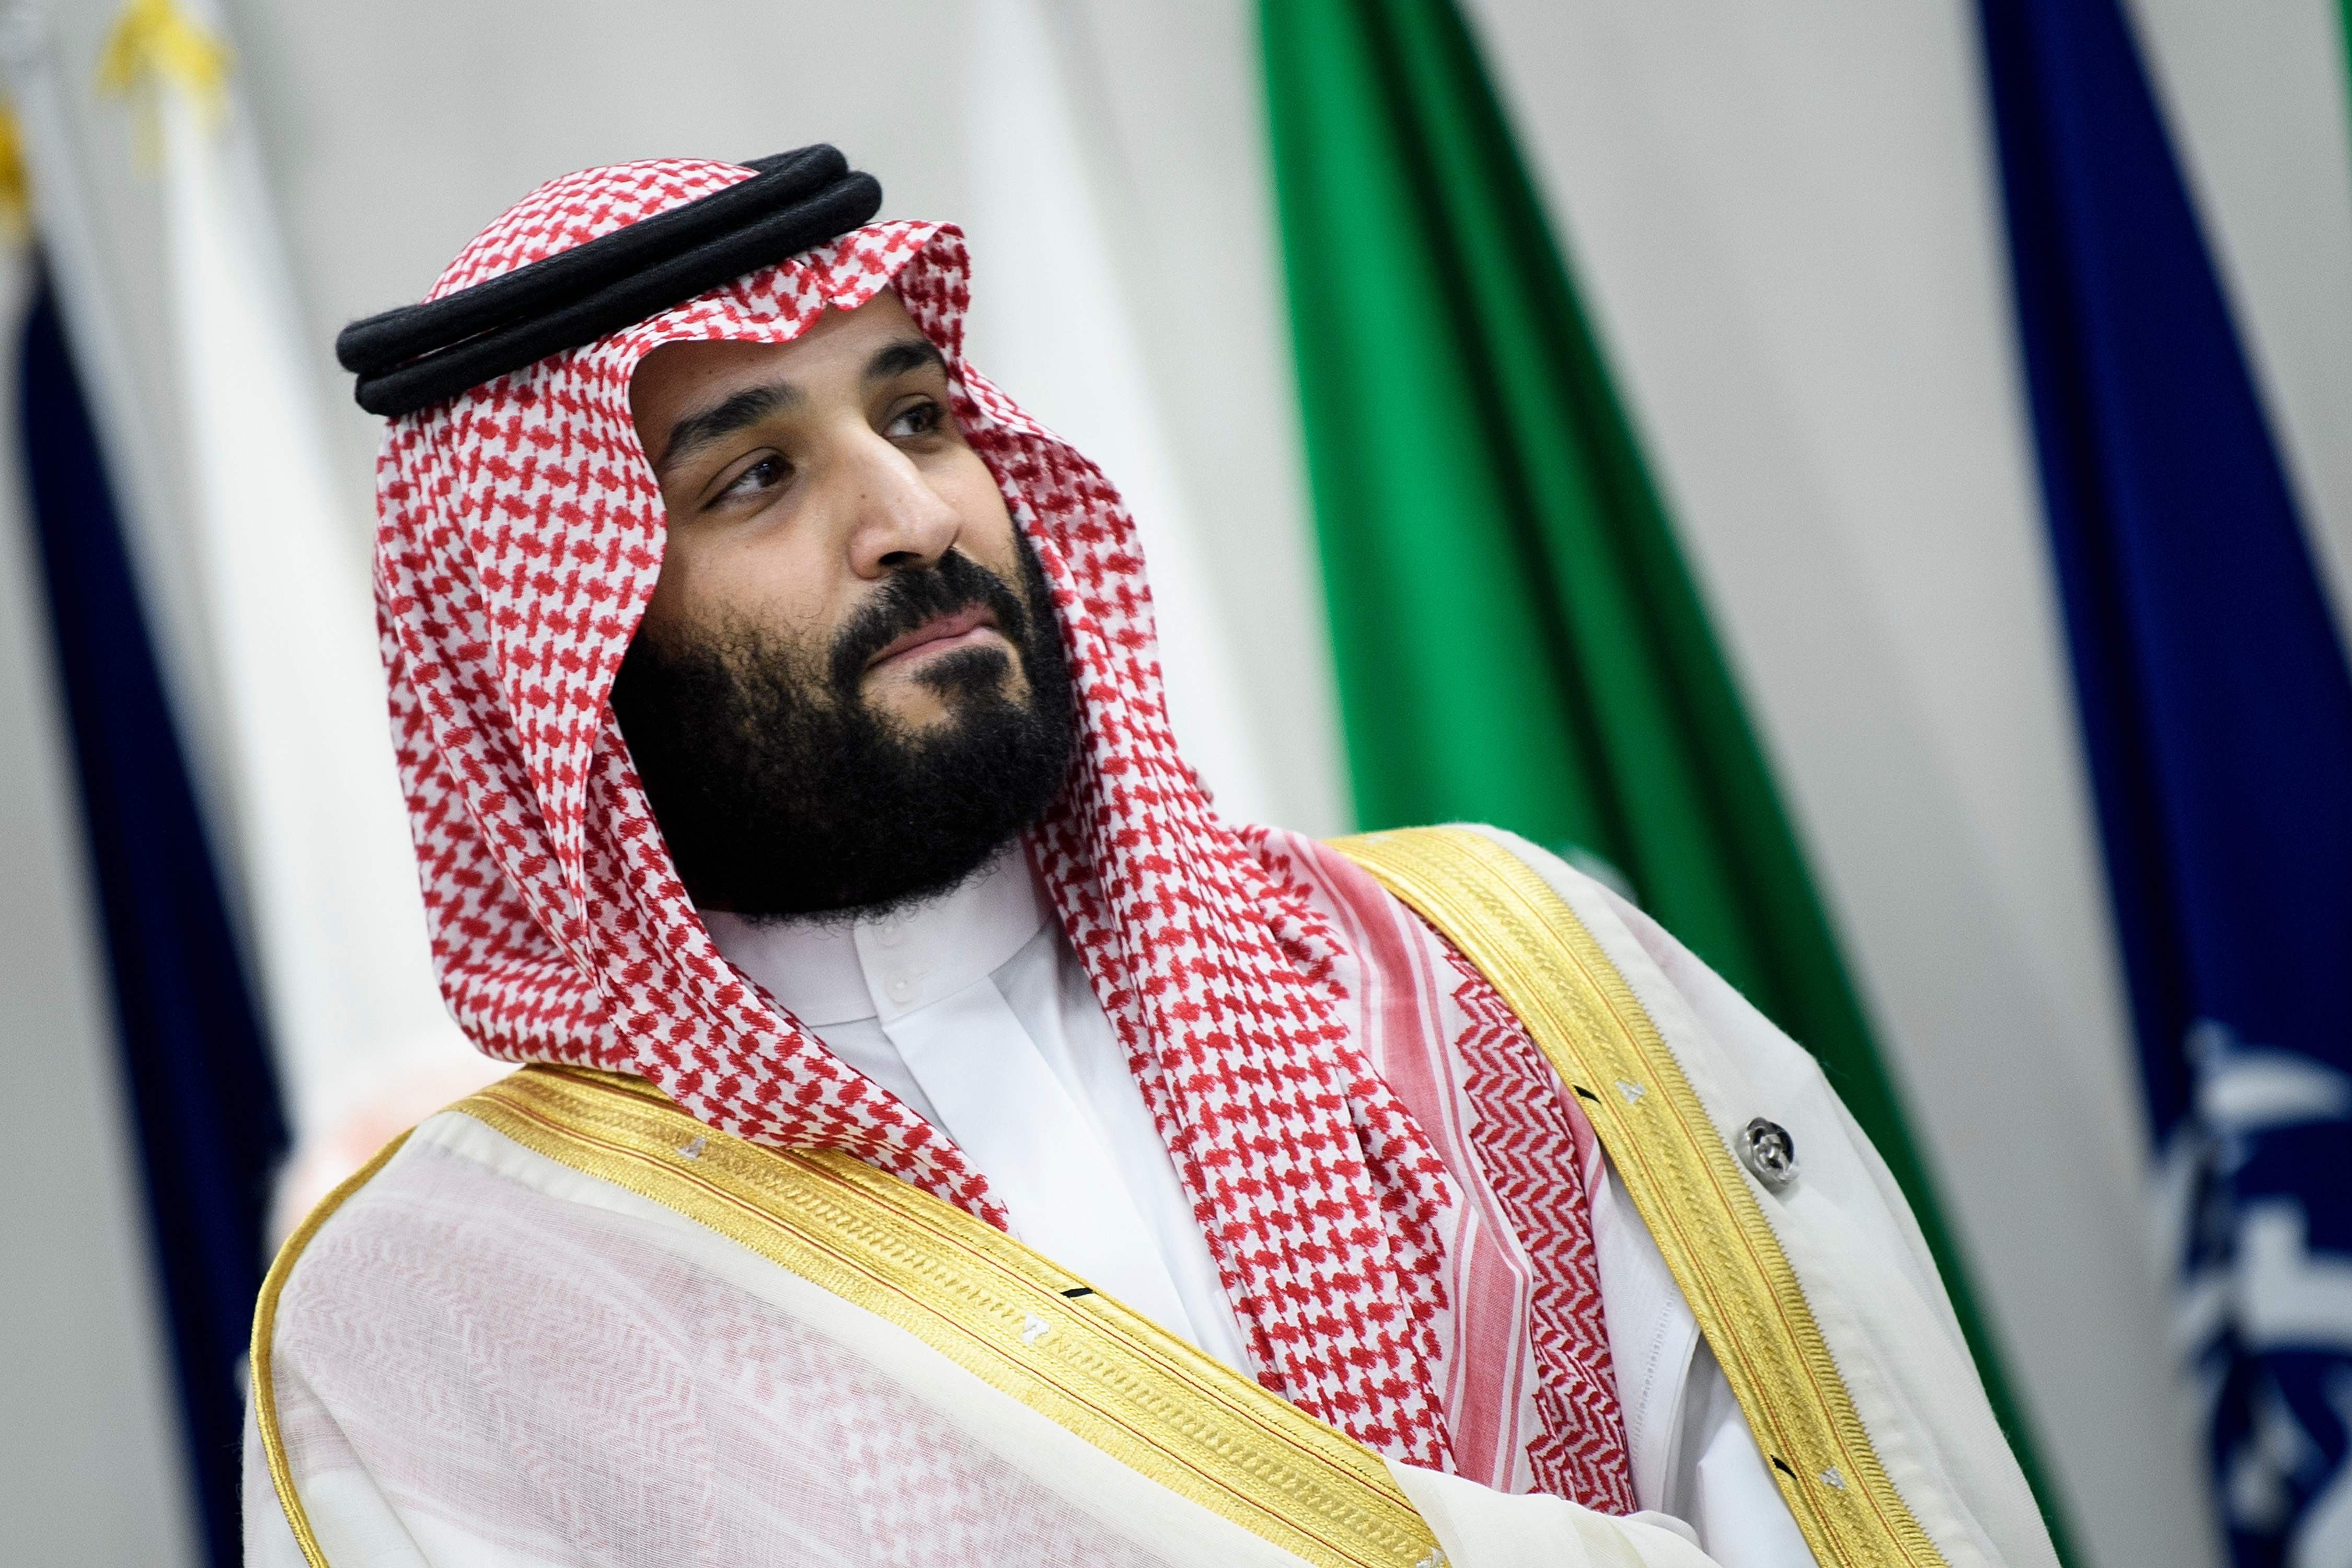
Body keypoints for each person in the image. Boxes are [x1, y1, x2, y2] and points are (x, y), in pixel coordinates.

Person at [245, 148, 2056, 1568]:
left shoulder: (1496, 975)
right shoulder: (452, 1313)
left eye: (917, 414)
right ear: (553, 665)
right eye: (753, 479)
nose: (913, 515)